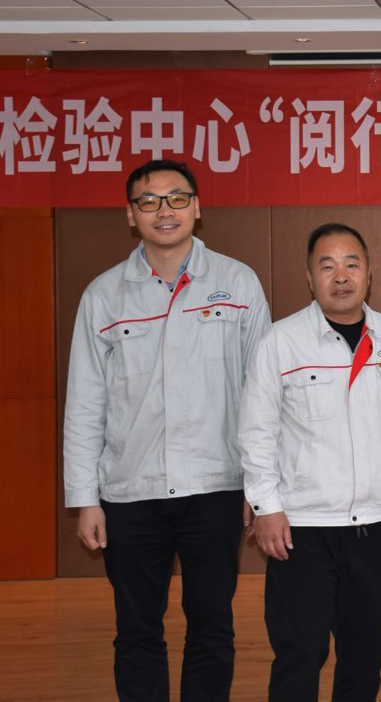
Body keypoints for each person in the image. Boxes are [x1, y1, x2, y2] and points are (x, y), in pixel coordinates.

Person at [63, 159, 270, 702]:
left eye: (177, 198)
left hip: (215, 487)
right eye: (149, 201)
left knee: (212, 626)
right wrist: (85, 499)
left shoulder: (238, 283)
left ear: (197, 208)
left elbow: (262, 397)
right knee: (136, 630)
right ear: (131, 215)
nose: (164, 211)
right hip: (130, 492)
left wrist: (259, 488)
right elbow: (85, 403)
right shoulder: (103, 296)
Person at [237, 223, 381, 702]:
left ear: (369, 273)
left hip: (376, 526)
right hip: (302, 528)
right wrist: (265, 507)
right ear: (309, 277)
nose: (340, 276)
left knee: (363, 659)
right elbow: (257, 431)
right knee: (299, 655)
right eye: (327, 266)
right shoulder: (281, 341)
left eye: (351, 264)